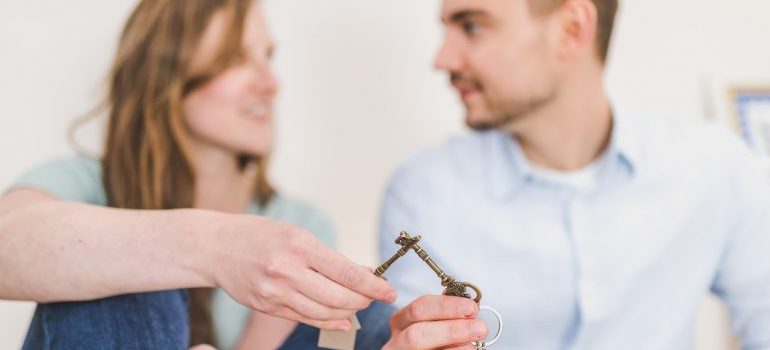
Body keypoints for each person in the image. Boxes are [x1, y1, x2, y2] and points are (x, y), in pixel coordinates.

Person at [1, 0, 488, 349]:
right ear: (165, 77)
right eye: (236, 57)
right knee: (115, 274)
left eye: (268, 56)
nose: (271, 83)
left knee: (374, 322)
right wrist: (212, 246)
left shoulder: (296, 223)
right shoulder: (82, 184)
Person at [379, 0, 770, 349]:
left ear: (572, 29)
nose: (442, 59)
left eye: (471, 26)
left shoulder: (717, 168)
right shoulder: (422, 192)